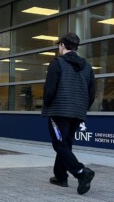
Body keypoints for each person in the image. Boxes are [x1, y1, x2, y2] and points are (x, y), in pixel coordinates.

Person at [42, 32, 96, 195]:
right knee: (65, 143)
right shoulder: (87, 66)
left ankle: (80, 172)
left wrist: (47, 105)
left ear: (62, 46)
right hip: (78, 112)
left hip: (59, 110)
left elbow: (50, 89)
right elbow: (92, 92)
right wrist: (82, 107)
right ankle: (60, 176)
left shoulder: (57, 63)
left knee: (59, 144)